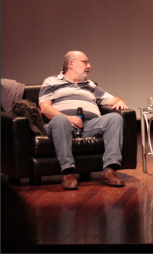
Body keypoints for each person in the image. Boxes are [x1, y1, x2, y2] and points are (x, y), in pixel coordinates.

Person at [39, 51, 129, 190]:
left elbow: (113, 99)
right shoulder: (52, 81)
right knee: (59, 120)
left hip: (88, 125)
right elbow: (44, 108)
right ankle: (68, 172)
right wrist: (67, 118)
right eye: (85, 62)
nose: (89, 66)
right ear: (71, 64)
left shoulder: (90, 85)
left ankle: (109, 170)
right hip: (62, 125)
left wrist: (120, 101)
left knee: (115, 118)